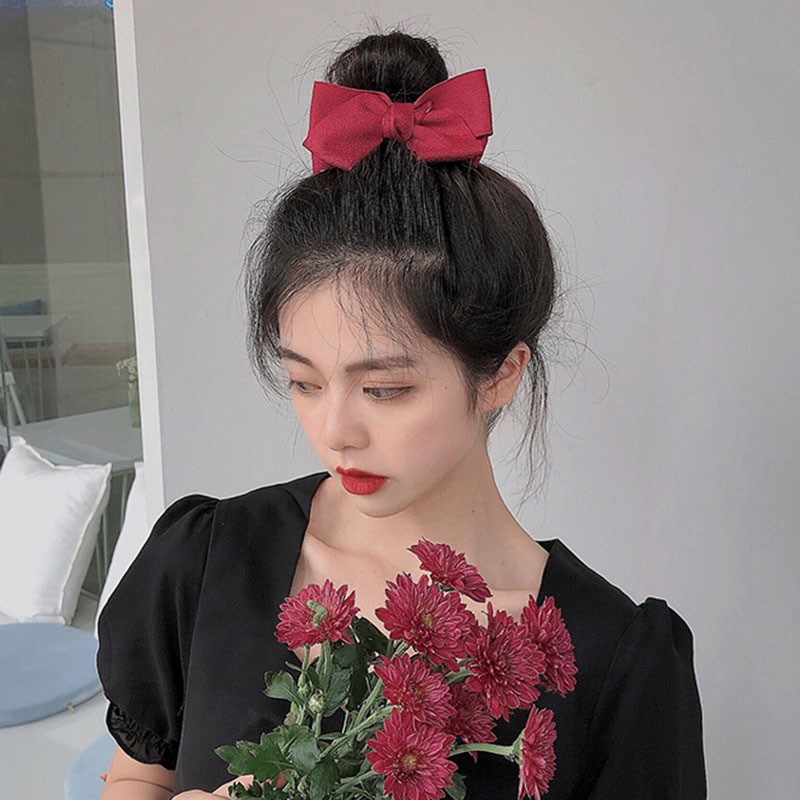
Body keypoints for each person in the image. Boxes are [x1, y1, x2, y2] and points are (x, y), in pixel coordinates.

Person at [96, 30, 707, 800]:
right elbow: (136, 776)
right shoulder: (208, 561)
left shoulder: (614, 663)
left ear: (501, 374)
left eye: (384, 389)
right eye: (305, 381)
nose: (334, 432)